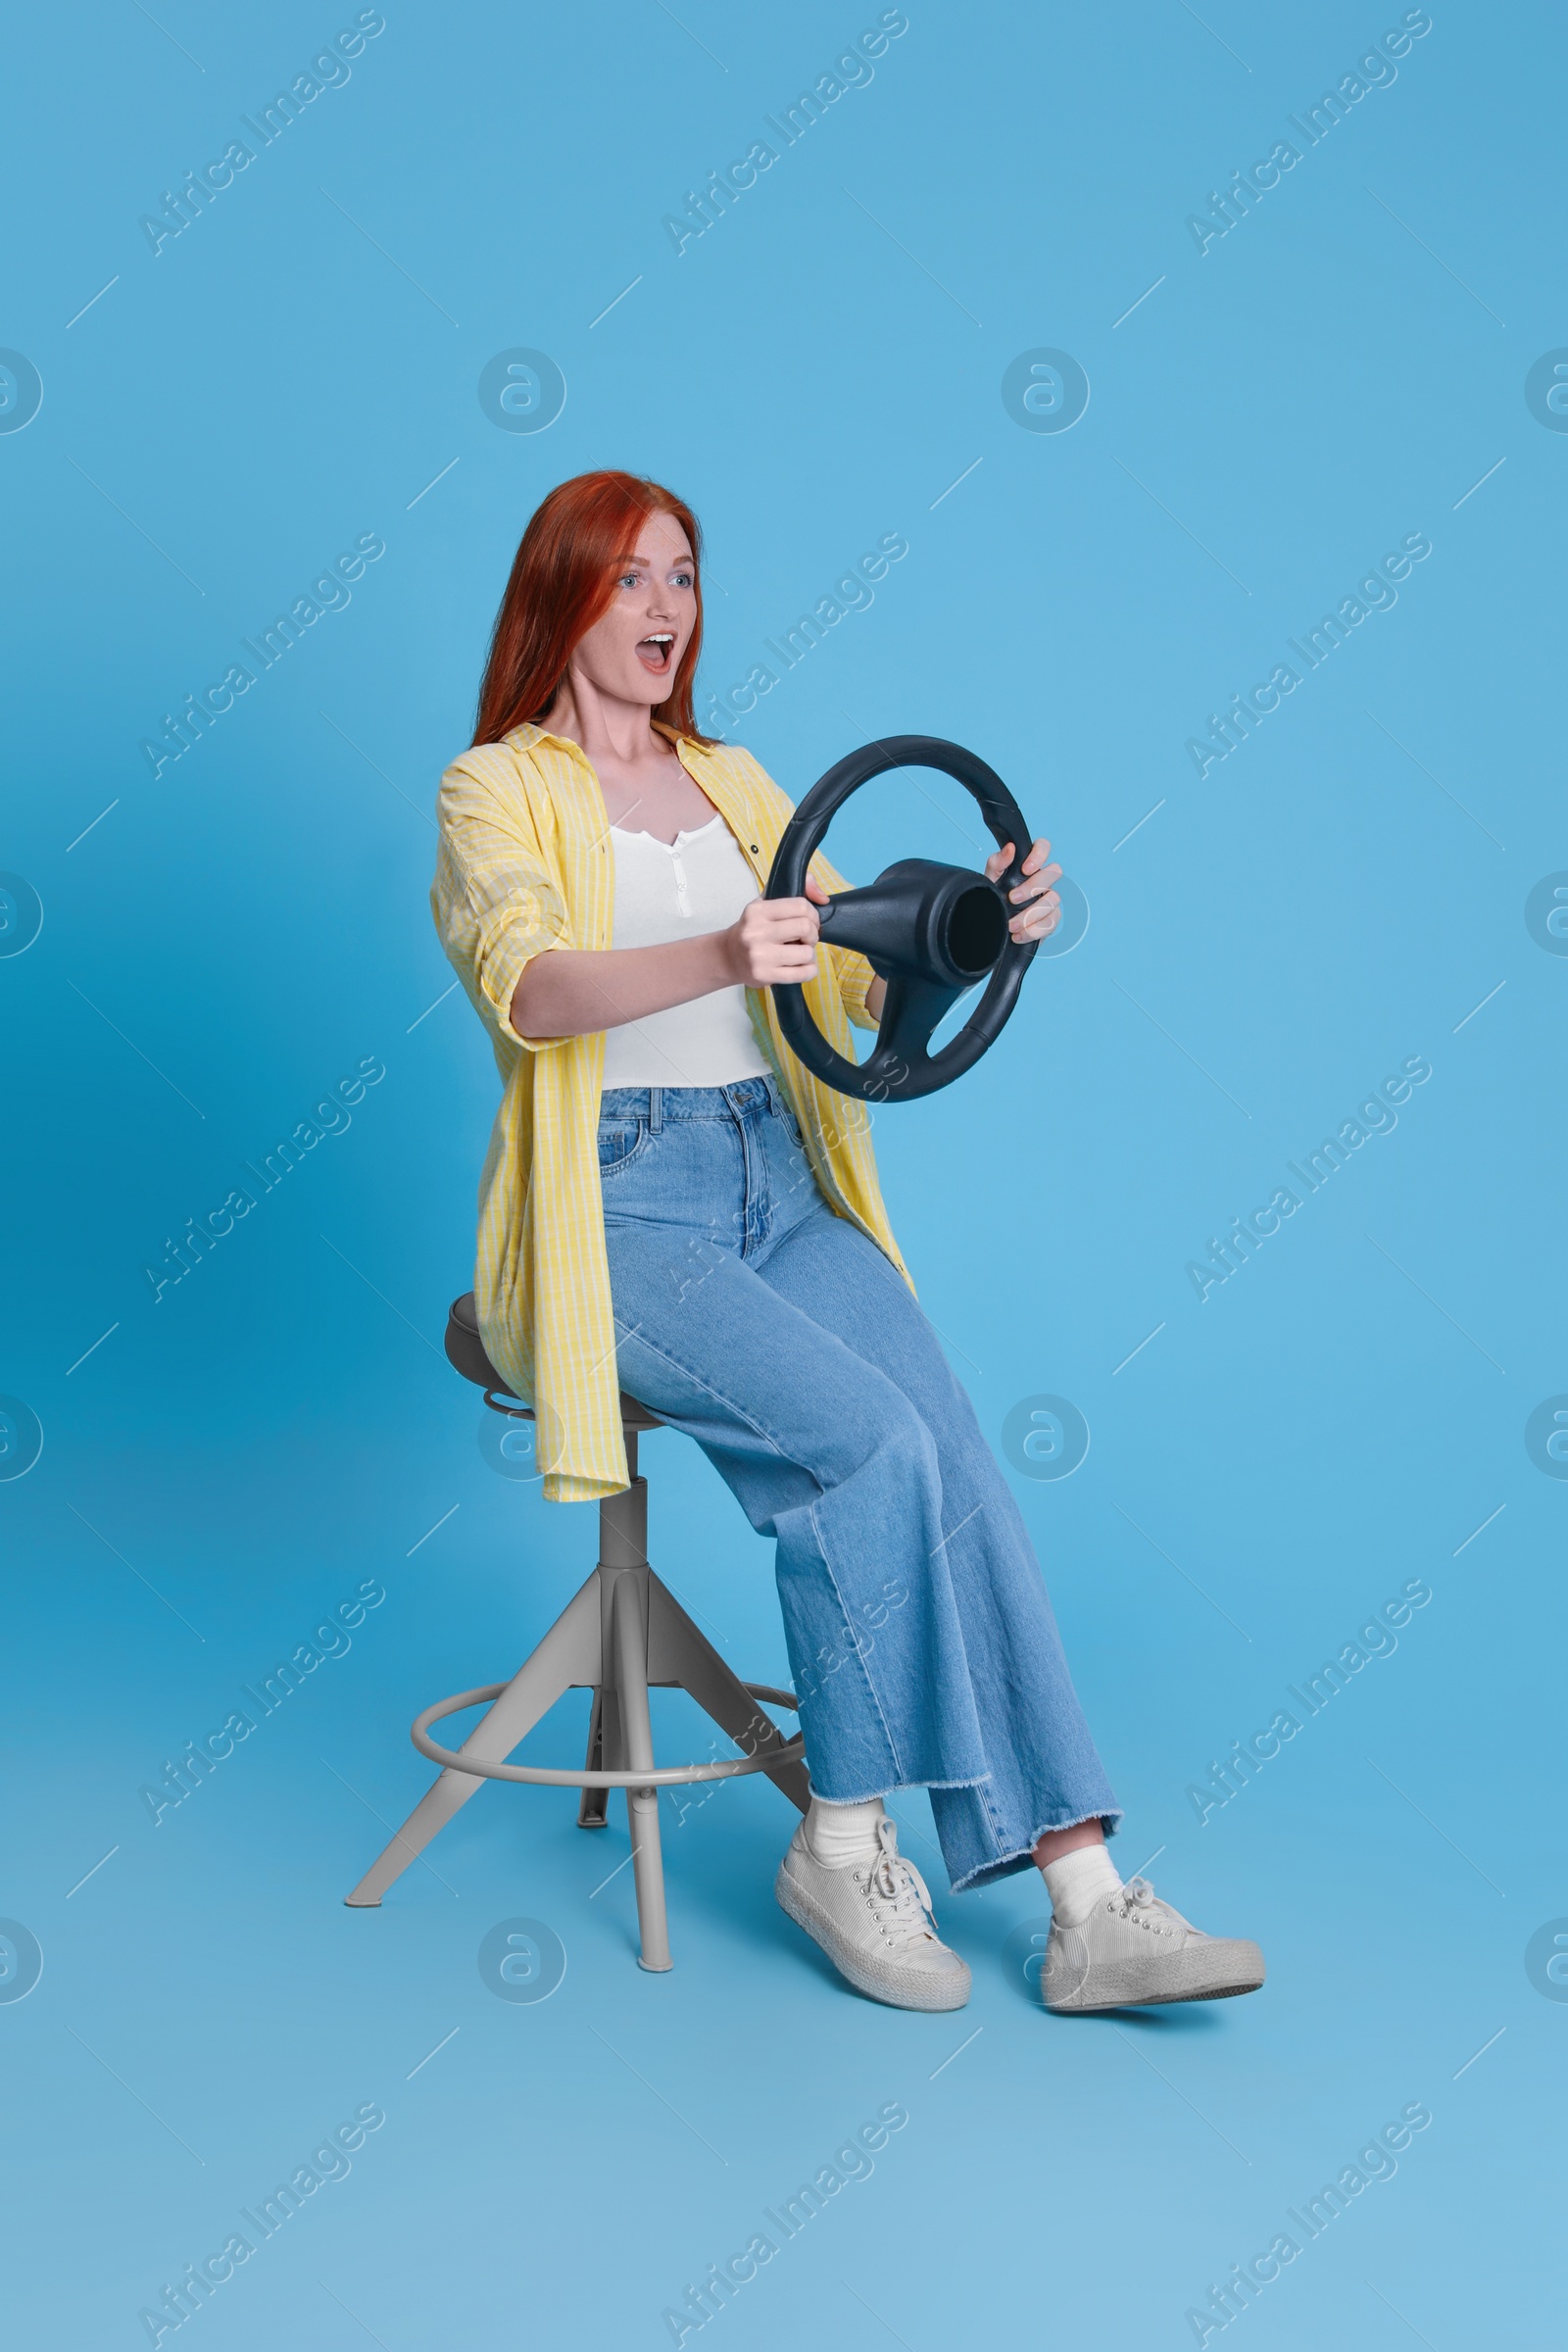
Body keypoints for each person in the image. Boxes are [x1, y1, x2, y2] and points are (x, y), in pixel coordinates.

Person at [432, 468, 1264, 2015]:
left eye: (682, 575)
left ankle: (1086, 1898)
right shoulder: (496, 791)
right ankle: (840, 1839)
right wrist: (716, 948)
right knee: (867, 1447)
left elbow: (855, 979)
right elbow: (531, 987)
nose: (664, 608)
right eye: (627, 579)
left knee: (946, 1441)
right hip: (619, 1209)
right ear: (560, 599)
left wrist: (969, 929)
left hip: (775, 1178)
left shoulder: (743, 785)